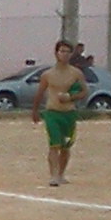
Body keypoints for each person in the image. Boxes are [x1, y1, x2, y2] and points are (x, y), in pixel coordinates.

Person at [32, 38, 89, 186]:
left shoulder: (76, 73)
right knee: (54, 144)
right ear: (56, 53)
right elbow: (40, 93)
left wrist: (70, 97)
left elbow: (84, 91)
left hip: (69, 113)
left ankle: (61, 174)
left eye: (67, 52)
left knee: (66, 146)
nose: (64, 54)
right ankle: (54, 175)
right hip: (52, 113)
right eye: (62, 51)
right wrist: (35, 111)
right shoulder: (47, 74)